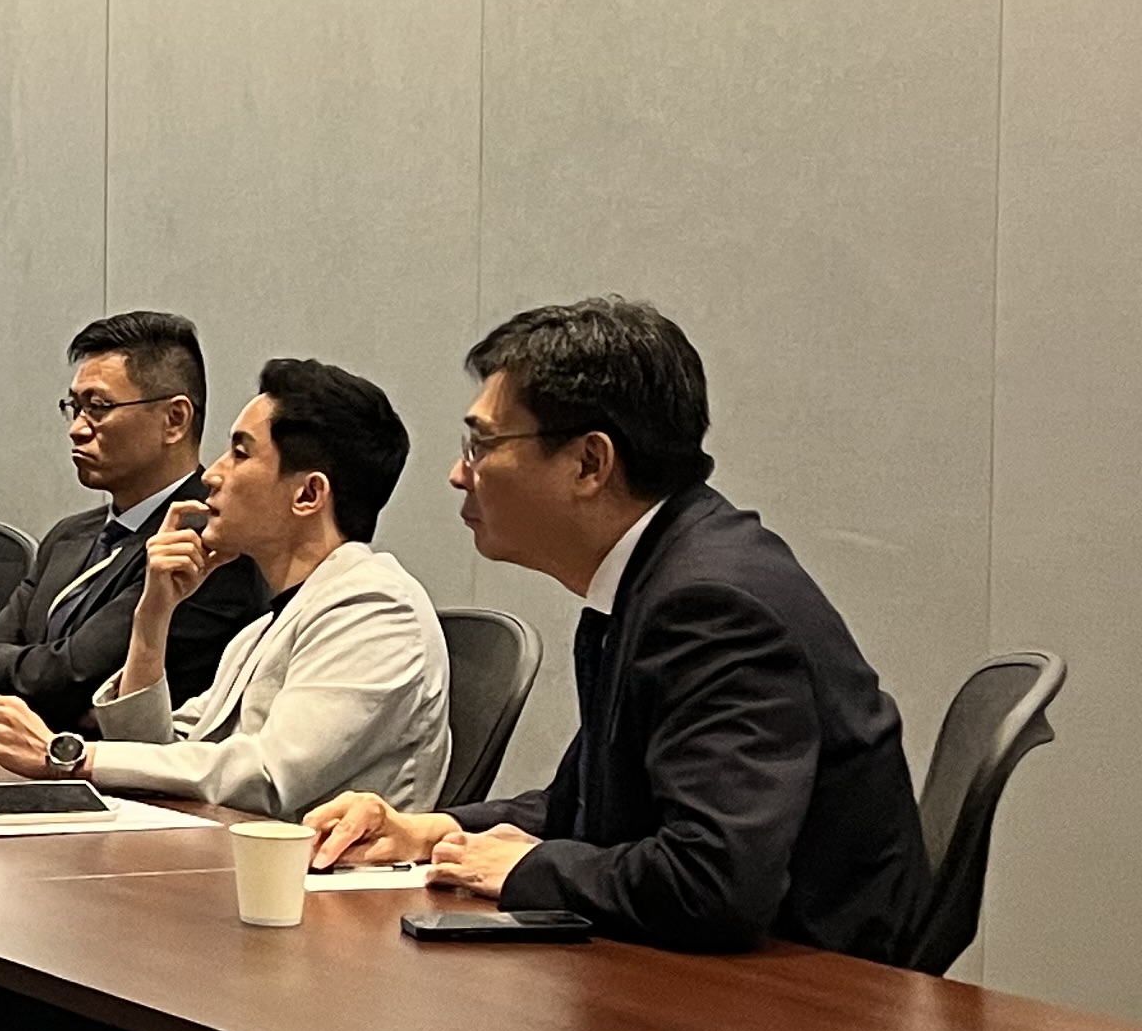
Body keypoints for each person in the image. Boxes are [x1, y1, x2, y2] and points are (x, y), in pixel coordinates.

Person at [305, 297, 929, 958]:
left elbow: (712, 881)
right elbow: (585, 806)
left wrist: (529, 870)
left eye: (481, 445)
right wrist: (428, 831)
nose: (460, 474)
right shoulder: (657, 573)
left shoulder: (711, 606)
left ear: (588, 464)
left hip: (813, 990)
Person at [0, 358, 450, 816]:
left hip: (318, 877)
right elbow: (156, 759)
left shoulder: (376, 608)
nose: (212, 474)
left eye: (240, 453)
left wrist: (65, 755)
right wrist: (153, 618)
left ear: (307, 494)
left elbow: (268, 776)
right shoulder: (265, 627)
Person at [0, 309, 267, 728]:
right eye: (75, 407)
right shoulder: (70, 535)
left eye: (99, 407)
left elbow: (71, 679)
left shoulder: (208, 544)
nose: (77, 429)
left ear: (174, 420)